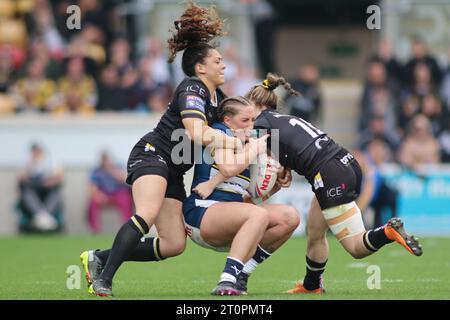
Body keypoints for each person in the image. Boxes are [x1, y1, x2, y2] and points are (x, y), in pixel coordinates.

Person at [80, 2, 268, 297]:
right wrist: (237, 142)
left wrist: (274, 143)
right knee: (147, 214)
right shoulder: (191, 88)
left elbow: (245, 117)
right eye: (218, 61)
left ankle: (100, 257)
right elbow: (196, 132)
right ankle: (104, 279)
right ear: (200, 67)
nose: (224, 65)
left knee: (173, 244)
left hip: (174, 171)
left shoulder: (217, 97)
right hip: (153, 154)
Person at [244, 73, 423, 294]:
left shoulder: (260, 122)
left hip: (329, 173)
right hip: (345, 163)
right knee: (315, 231)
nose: (244, 114)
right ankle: (312, 285)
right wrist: (285, 168)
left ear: (258, 104)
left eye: (246, 107)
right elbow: (295, 149)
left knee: (356, 247)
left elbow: (246, 150)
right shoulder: (283, 120)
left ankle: (387, 232)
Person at [183, 96, 299, 295]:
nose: (251, 126)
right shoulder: (219, 132)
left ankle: (242, 275)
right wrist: (253, 150)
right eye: (245, 121)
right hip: (201, 213)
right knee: (258, 215)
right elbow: (228, 168)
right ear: (228, 120)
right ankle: (226, 281)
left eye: (253, 120)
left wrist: (273, 186)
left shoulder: (247, 145)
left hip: (229, 217)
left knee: (290, 216)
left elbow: (246, 200)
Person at [17, 142, 64, 232]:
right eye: (34, 152)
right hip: (33, 190)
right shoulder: (27, 163)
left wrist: (49, 181)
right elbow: (21, 177)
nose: (36, 153)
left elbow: (60, 177)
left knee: (56, 192)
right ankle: (43, 217)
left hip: (48, 190)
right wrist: (31, 166)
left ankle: (43, 216)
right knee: (27, 191)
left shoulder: (52, 162)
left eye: (38, 151)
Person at [87, 152, 133, 233]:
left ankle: (128, 227)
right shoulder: (96, 171)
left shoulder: (118, 167)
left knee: (125, 199)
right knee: (93, 202)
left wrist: (111, 170)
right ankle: (94, 229)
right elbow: (92, 187)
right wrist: (99, 195)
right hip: (104, 195)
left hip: (118, 194)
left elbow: (125, 180)